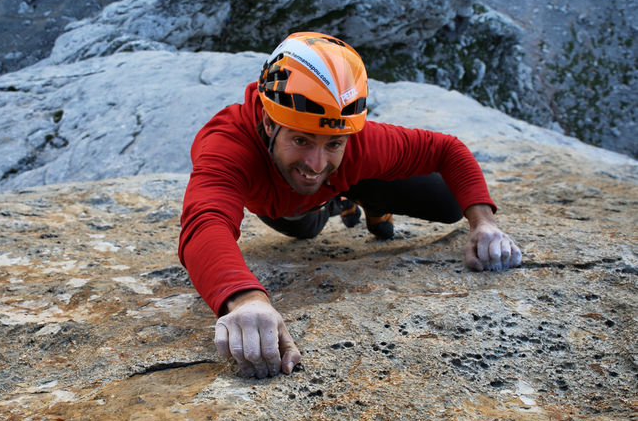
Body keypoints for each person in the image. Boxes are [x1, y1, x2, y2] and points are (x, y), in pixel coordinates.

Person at [178, 31, 522, 379]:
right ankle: (338, 201)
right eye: (301, 139)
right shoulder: (227, 142)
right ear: (268, 122)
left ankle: (360, 195)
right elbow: (206, 221)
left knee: (448, 203)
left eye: (333, 144)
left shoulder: (359, 143)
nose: (315, 162)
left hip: (345, 181)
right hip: (285, 207)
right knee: (302, 228)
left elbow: (447, 150)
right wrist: (245, 299)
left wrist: (483, 222)